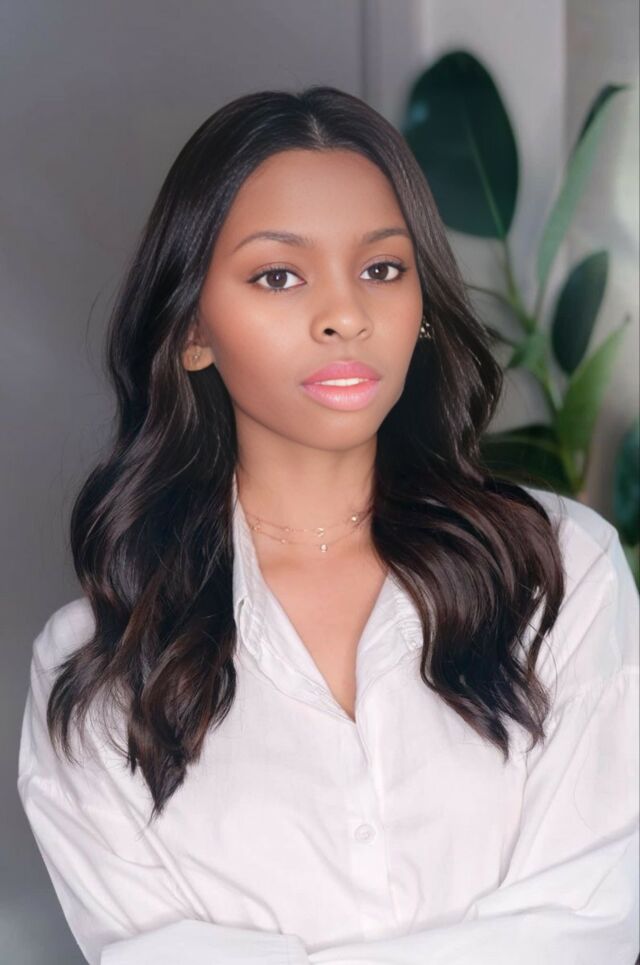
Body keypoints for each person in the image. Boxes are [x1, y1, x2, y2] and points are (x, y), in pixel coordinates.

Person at [17, 86, 639, 965]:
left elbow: (592, 928)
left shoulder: (560, 571)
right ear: (192, 330)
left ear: (424, 308)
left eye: (382, 269)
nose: (346, 314)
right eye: (279, 275)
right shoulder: (97, 669)